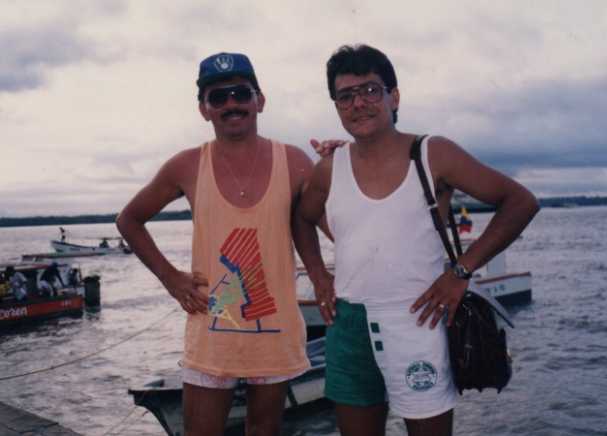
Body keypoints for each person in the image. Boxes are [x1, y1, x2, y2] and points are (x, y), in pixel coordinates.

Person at [294, 44, 540, 436]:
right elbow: (301, 218)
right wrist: (319, 275)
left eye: (370, 90)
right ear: (337, 106)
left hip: (419, 316)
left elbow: (520, 202)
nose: (358, 103)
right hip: (347, 322)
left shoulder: (432, 154)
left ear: (394, 97)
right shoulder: (329, 168)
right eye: (346, 96)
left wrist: (460, 272)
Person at [116, 52, 317, 436]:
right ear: (203, 109)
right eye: (218, 97)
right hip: (210, 332)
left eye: (241, 93)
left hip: (275, 329)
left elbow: (329, 222)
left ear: (260, 100)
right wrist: (171, 278)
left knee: (264, 430)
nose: (231, 104)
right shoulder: (187, 165)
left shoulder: (294, 161)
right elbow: (129, 220)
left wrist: (338, 166)